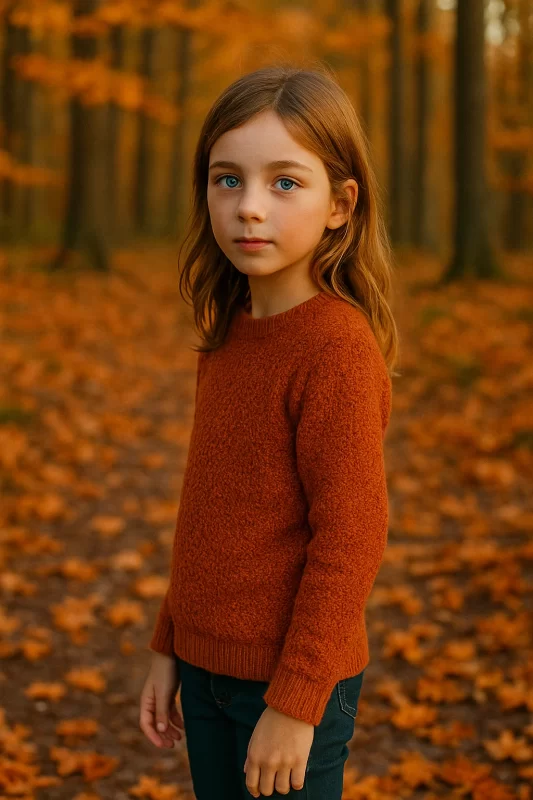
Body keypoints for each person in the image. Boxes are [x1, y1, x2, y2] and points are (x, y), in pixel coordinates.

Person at [139, 62, 400, 799]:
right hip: (204, 670)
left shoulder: (335, 350)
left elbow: (351, 536)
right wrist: (169, 642)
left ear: (339, 204)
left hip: (291, 684)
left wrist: (294, 702)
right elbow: (208, 512)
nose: (249, 207)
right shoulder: (230, 332)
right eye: (227, 180)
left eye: (284, 182)